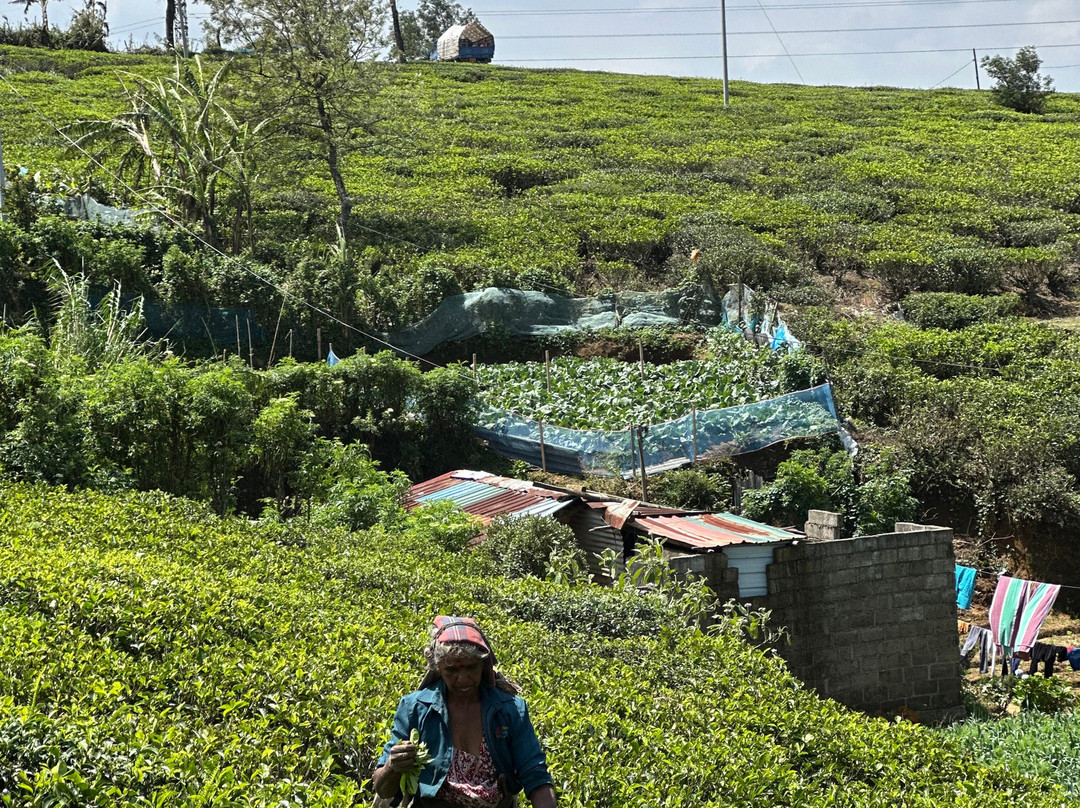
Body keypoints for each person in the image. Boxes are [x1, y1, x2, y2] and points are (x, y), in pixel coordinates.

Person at [373, 616, 557, 808]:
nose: (463, 679)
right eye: (452, 670)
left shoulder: (510, 710)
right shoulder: (415, 708)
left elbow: (536, 776)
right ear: (438, 668)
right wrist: (393, 765)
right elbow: (383, 789)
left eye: (471, 667)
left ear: (483, 664)